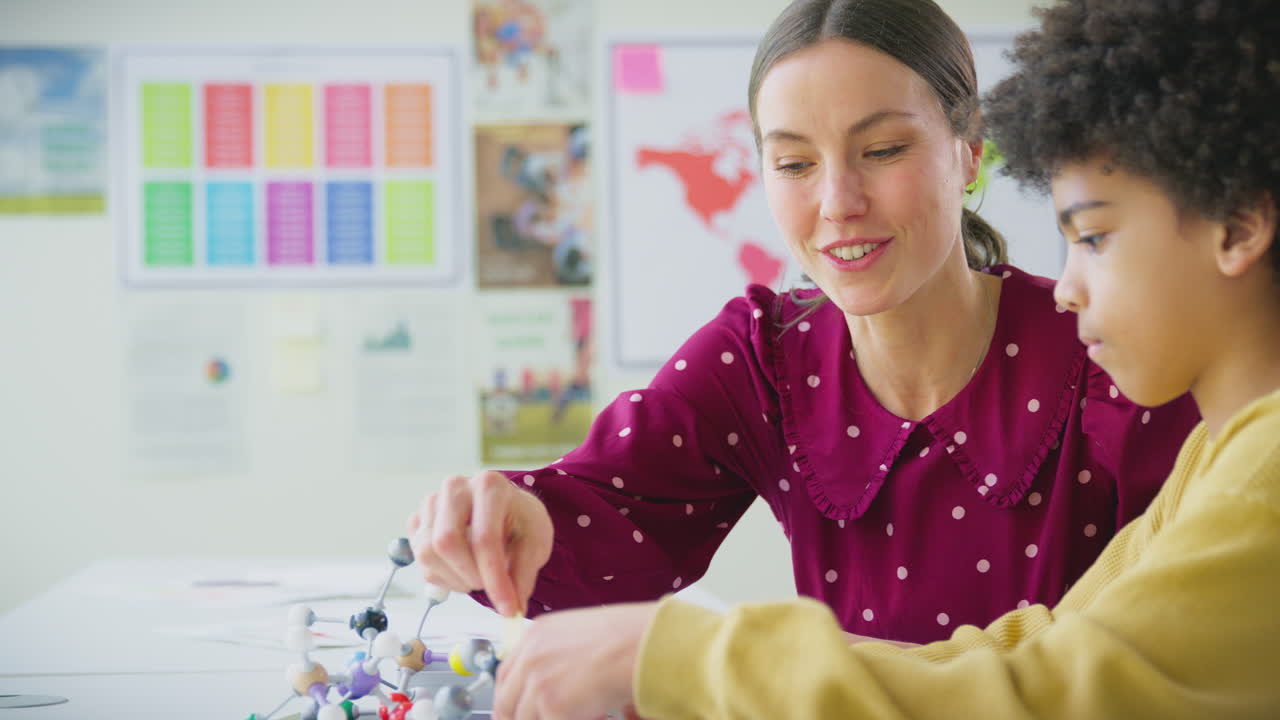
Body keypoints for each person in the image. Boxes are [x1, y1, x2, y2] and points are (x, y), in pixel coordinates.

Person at [485, 0, 1280, 716]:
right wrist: (534, 533)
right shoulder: (1224, 454)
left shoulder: (1246, 464)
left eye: (1095, 238)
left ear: (970, 152)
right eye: (794, 163)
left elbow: (1045, 693)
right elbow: (1027, 653)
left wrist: (678, 653)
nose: (837, 201)